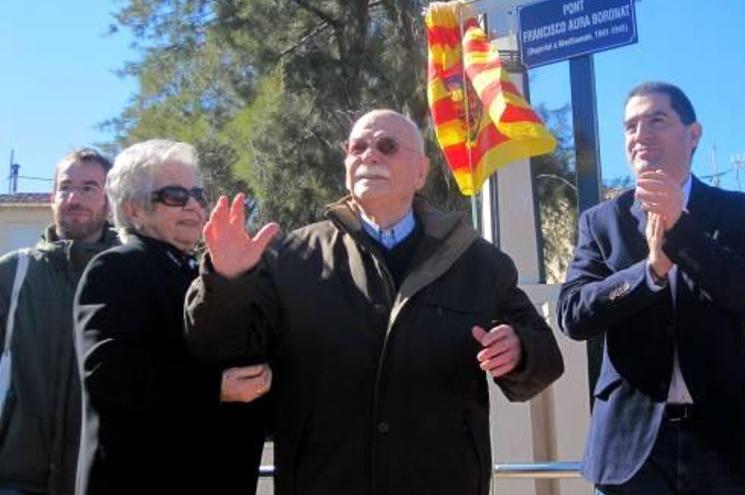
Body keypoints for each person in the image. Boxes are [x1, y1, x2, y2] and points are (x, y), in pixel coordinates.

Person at [185, 109, 564, 495]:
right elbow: (221, 347)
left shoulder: (478, 262)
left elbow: (546, 357)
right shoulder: (289, 257)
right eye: (357, 148)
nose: (369, 155)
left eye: (386, 146)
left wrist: (519, 350)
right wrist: (227, 282)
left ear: (420, 172)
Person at [556, 82, 745, 494]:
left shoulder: (741, 212)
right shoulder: (602, 222)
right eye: (631, 126)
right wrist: (649, 272)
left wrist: (683, 233)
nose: (641, 134)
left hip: (727, 441)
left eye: (657, 120)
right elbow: (573, 314)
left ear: (693, 134)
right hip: (634, 448)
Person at [74, 140, 271, 495]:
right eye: (175, 195)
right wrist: (216, 387)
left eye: (198, 195)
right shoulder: (115, 268)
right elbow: (109, 374)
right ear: (134, 210)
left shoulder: (199, 274)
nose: (194, 206)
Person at [0, 149, 118, 495]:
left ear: (109, 201)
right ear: (52, 197)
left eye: (88, 188)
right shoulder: (14, 273)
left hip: (101, 477)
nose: (74, 198)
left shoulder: (129, 273)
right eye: (65, 187)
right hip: (16, 476)